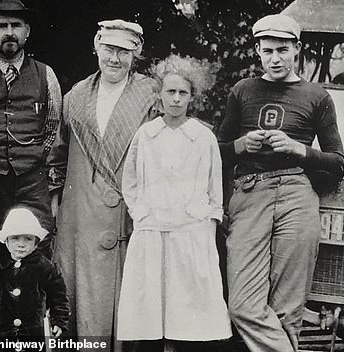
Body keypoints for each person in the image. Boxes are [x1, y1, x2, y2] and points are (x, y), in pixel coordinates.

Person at [217, 14, 344, 352]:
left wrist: (300, 149)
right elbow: (215, 153)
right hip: (249, 192)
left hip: (296, 194)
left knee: (288, 308)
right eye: (268, 50)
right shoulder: (242, 91)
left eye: (283, 50)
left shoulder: (317, 96)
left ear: (297, 50)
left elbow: (338, 163)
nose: (275, 59)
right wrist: (240, 146)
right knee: (242, 304)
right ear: (257, 50)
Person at [47, 19, 159, 351]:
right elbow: (58, 152)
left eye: (124, 51)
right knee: (78, 296)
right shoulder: (76, 94)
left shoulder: (151, 93)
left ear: (136, 53)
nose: (115, 59)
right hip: (80, 214)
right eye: (109, 49)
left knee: (125, 296)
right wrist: (56, 201)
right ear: (97, 46)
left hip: (130, 212)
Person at [117, 54, 231, 352]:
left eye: (183, 93)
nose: (177, 99)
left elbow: (214, 188)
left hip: (190, 234)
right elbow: (129, 180)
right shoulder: (146, 134)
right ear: (159, 95)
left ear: (192, 97)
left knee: (189, 313)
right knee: (149, 311)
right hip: (152, 232)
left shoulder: (203, 137)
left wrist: (207, 223)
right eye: (171, 92)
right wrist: (140, 213)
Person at [0, 0, 61, 338]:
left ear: (27, 32)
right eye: (2, 25)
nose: (9, 33)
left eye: (15, 26)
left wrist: (30, 159)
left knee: (37, 259)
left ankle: (37, 337)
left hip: (29, 183)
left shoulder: (46, 76)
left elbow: (51, 130)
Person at [0, 207, 69, 343]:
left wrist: (59, 320)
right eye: (15, 238)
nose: (21, 244)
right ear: (6, 241)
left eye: (28, 239)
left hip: (33, 334)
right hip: (3, 336)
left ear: (36, 243)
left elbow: (58, 296)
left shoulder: (44, 268)